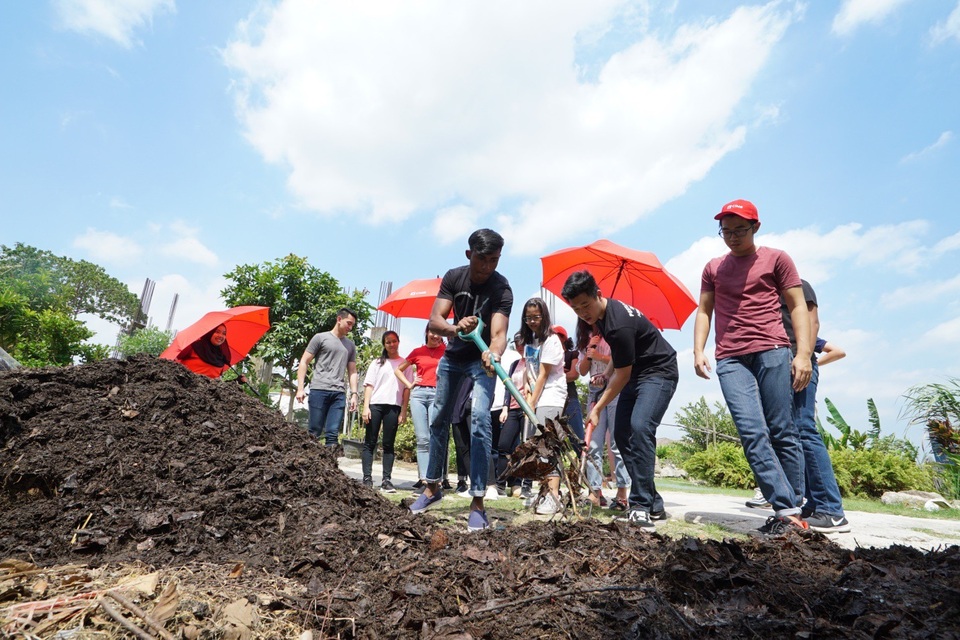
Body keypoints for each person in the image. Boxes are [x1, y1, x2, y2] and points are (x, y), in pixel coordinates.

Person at [693, 199, 813, 535]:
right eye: (725, 231)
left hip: (773, 351)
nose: (732, 237)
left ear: (755, 227)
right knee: (751, 431)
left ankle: (793, 507)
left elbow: (798, 305)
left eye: (739, 230)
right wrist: (698, 350)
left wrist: (802, 354)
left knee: (783, 430)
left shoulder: (777, 259)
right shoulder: (713, 268)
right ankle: (787, 508)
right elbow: (704, 310)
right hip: (730, 357)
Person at [408, 229, 513, 532]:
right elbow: (435, 322)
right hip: (453, 358)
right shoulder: (455, 278)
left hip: (483, 362)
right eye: (482, 260)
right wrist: (456, 330)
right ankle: (432, 488)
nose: (488, 267)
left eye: (494, 260)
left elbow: (499, 334)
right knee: (439, 418)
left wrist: (493, 352)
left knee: (480, 420)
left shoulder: (502, 287)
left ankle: (478, 501)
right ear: (470, 255)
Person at [562, 270, 679, 529]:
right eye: (576, 308)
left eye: (586, 304)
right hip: (637, 372)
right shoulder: (604, 318)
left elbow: (623, 375)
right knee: (624, 433)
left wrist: (598, 408)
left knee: (639, 428)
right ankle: (654, 503)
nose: (583, 312)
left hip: (658, 372)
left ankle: (639, 505)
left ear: (598, 295)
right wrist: (606, 371)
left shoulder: (619, 321)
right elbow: (620, 352)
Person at [781, 280, 850, 533]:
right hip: (780, 364)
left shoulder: (797, 284)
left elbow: (813, 322)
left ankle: (831, 510)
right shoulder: (765, 291)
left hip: (799, 362)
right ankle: (815, 502)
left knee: (803, 429)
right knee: (792, 434)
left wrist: (806, 358)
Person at [518, 298, 568, 515]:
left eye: (536, 317)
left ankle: (554, 495)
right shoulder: (531, 342)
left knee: (548, 446)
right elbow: (530, 374)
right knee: (536, 449)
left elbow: (544, 375)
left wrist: (530, 402)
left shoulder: (552, 341)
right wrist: (527, 396)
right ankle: (544, 493)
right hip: (535, 398)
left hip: (550, 398)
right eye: (528, 318)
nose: (532, 321)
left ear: (544, 316)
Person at [578, 332, 631, 510]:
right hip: (595, 388)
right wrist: (589, 350)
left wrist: (600, 356)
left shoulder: (616, 334)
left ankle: (622, 492)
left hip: (616, 385)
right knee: (593, 443)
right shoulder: (587, 338)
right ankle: (595, 491)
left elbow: (624, 362)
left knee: (617, 442)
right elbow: (582, 370)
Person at [295, 308, 359, 447]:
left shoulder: (350, 345)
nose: (350, 327)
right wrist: (300, 388)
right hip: (319, 390)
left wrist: (354, 394)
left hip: (338, 393)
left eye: (352, 325)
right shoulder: (320, 338)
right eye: (348, 323)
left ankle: (331, 467)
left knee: (332, 434)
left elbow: (352, 371)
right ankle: (309, 465)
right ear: (339, 319)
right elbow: (304, 361)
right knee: (314, 432)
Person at [360, 331, 413, 492]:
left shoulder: (405, 363)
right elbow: (369, 385)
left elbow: (406, 390)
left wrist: (403, 411)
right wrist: (366, 407)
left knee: (388, 444)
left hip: (393, 406)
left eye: (394, 341)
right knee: (370, 442)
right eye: (388, 342)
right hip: (375, 405)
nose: (391, 345)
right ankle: (367, 478)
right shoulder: (377, 363)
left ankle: (386, 480)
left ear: (399, 342)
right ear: (384, 344)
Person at [396, 326, 446, 486]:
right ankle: (424, 477)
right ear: (426, 333)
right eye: (432, 332)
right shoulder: (418, 351)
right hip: (418, 395)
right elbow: (398, 370)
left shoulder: (446, 351)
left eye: (438, 333)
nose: (435, 336)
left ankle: (435, 476)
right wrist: (410, 384)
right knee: (422, 438)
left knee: (435, 437)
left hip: (437, 394)